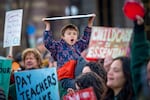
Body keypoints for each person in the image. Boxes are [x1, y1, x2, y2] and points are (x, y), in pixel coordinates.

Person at [42, 14, 96, 90]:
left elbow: (86, 39)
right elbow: (48, 43)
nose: (72, 36)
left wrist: (90, 24)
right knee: (78, 85)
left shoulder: (78, 45)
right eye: (69, 34)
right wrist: (47, 26)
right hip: (65, 77)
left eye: (74, 34)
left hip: (77, 74)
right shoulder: (58, 46)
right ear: (63, 37)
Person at [130, 15, 150, 99]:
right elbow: (138, 64)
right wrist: (139, 29)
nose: (148, 77)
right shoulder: (144, 92)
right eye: (148, 72)